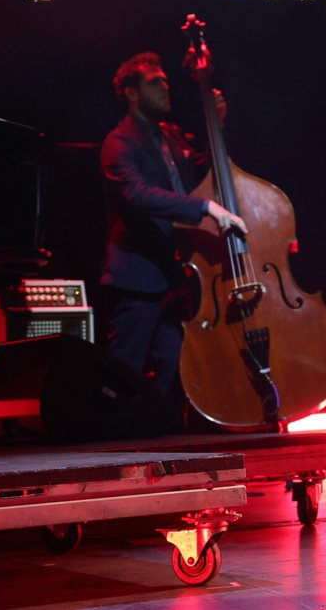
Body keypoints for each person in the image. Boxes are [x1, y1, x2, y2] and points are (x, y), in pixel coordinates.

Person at [99, 52, 246, 429]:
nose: (166, 87)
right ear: (131, 93)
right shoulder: (118, 143)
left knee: (173, 364)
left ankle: (157, 440)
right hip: (139, 275)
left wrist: (220, 126)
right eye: (155, 82)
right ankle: (111, 447)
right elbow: (139, 195)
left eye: (166, 80)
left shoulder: (172, 136)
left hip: (175, 274)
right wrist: (206, 208)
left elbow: (201, 172)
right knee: (124, 370)